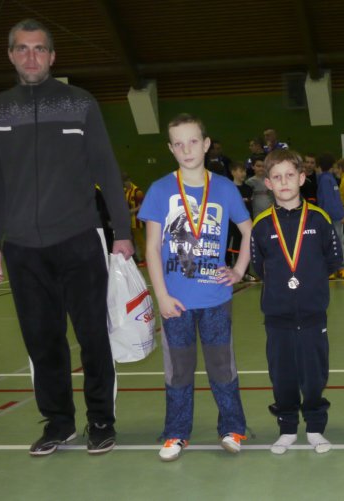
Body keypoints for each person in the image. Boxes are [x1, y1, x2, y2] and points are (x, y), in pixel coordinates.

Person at [0, 19, 132, 456]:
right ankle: (59, 423)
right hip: (22, 248)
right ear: (11, 55)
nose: (31, 56)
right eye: (23, 49)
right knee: (42, 341)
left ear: (52, 56)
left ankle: (100, 420)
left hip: (79, 238)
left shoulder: (80, 103)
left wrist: (121, 232)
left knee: (93, 337)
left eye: (39, 48)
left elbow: (106, 169)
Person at [138, 114, 251, 462]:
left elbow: (249, 230)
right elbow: (151, 248)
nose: (186, 149)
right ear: (171, 149)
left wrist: (239, 270)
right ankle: (176, 433)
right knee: (178, 371)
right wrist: (161, 296)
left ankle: (232, 428)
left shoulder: (225, 188)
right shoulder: (160, 190)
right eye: (179, 144)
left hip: (215, 298)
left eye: (192, 142)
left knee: (222, 367)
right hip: (176, 302)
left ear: (206, 144)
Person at [251, 149, 343, 454]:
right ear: (268, 183)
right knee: (282, 376)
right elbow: (258, 267)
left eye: (290, 175)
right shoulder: (262, 225)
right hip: (277, 317)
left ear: (302, 178)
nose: (284, 182)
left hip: (313, 314)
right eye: (277, 177)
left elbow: (333, 260)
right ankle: (287, 427)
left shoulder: (319, 218)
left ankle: (315, 427)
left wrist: (309, 283)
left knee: (315, 375)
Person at [315, 153, 344, 276]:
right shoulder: (326, 180)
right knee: (335, 242)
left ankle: (339, 267)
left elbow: (333, 200)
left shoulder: (327, 179)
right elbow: (329, 201)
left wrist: (340, 214)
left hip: (333, 217)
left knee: (335, 242)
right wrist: (337, 215)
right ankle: (336, 267)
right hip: (331, 217)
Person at [227, 163, 253, 268]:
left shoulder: (248, 189)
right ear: (233, 172)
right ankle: (230, 266)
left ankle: (245, 271)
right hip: (233, 225)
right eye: (241, 171)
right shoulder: (229, 188)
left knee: (245, 245)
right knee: (232, 246)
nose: (244, 174)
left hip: (246, 223)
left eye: (245, 171)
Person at [123, 171, 147, 265]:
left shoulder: (137, 191)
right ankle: (138, 258)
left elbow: (143, 205)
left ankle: (146, 259)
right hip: (129, 221)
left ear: (130, 180)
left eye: (126, 181)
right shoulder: (126, 191)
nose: (126, 183)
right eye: (124, 182)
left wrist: (131, 211)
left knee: (140, 241)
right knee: (134, 241)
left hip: (137, 220)